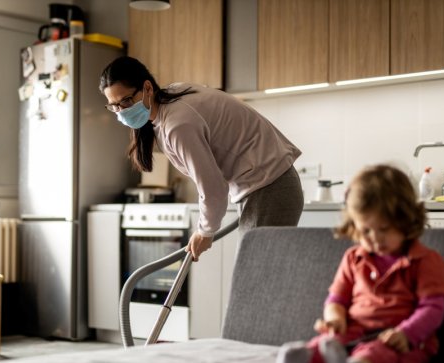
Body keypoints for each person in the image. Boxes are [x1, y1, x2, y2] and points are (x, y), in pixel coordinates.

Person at [99, 56, 304, 260]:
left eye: (126, 101)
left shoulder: (178, 123)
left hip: (270, 187)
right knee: (257, 279)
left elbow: (212, 188)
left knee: (256, 280)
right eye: (114, 106)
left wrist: (205, 231)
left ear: (147, 88)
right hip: (265, 186)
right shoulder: (171, 101)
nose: (122, 111)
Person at [275, 164, 444, 363]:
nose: (375, 239)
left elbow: (433, 308)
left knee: (380, 353)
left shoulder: (426, 260)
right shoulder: (353, 258)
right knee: (328, 342)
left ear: (406, 221)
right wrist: (335, 319)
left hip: (402, 340)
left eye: (384, 229)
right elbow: (336, 300)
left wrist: (406, 333)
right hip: (355, 331)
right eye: (366, 231)